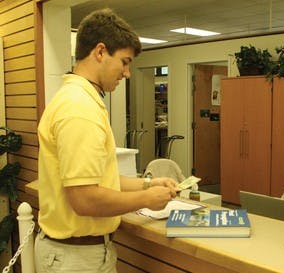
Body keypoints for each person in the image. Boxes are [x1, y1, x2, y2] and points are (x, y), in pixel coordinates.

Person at [34, 9, 178, 273]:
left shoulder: (78, 99)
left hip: (75, 254)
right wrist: (146, 198)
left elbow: (98, 179)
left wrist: (148, 183)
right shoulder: (80, 108)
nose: (127, 73)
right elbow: (85, 198)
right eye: (124, 62)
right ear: (100, 52)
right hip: (76, 259)